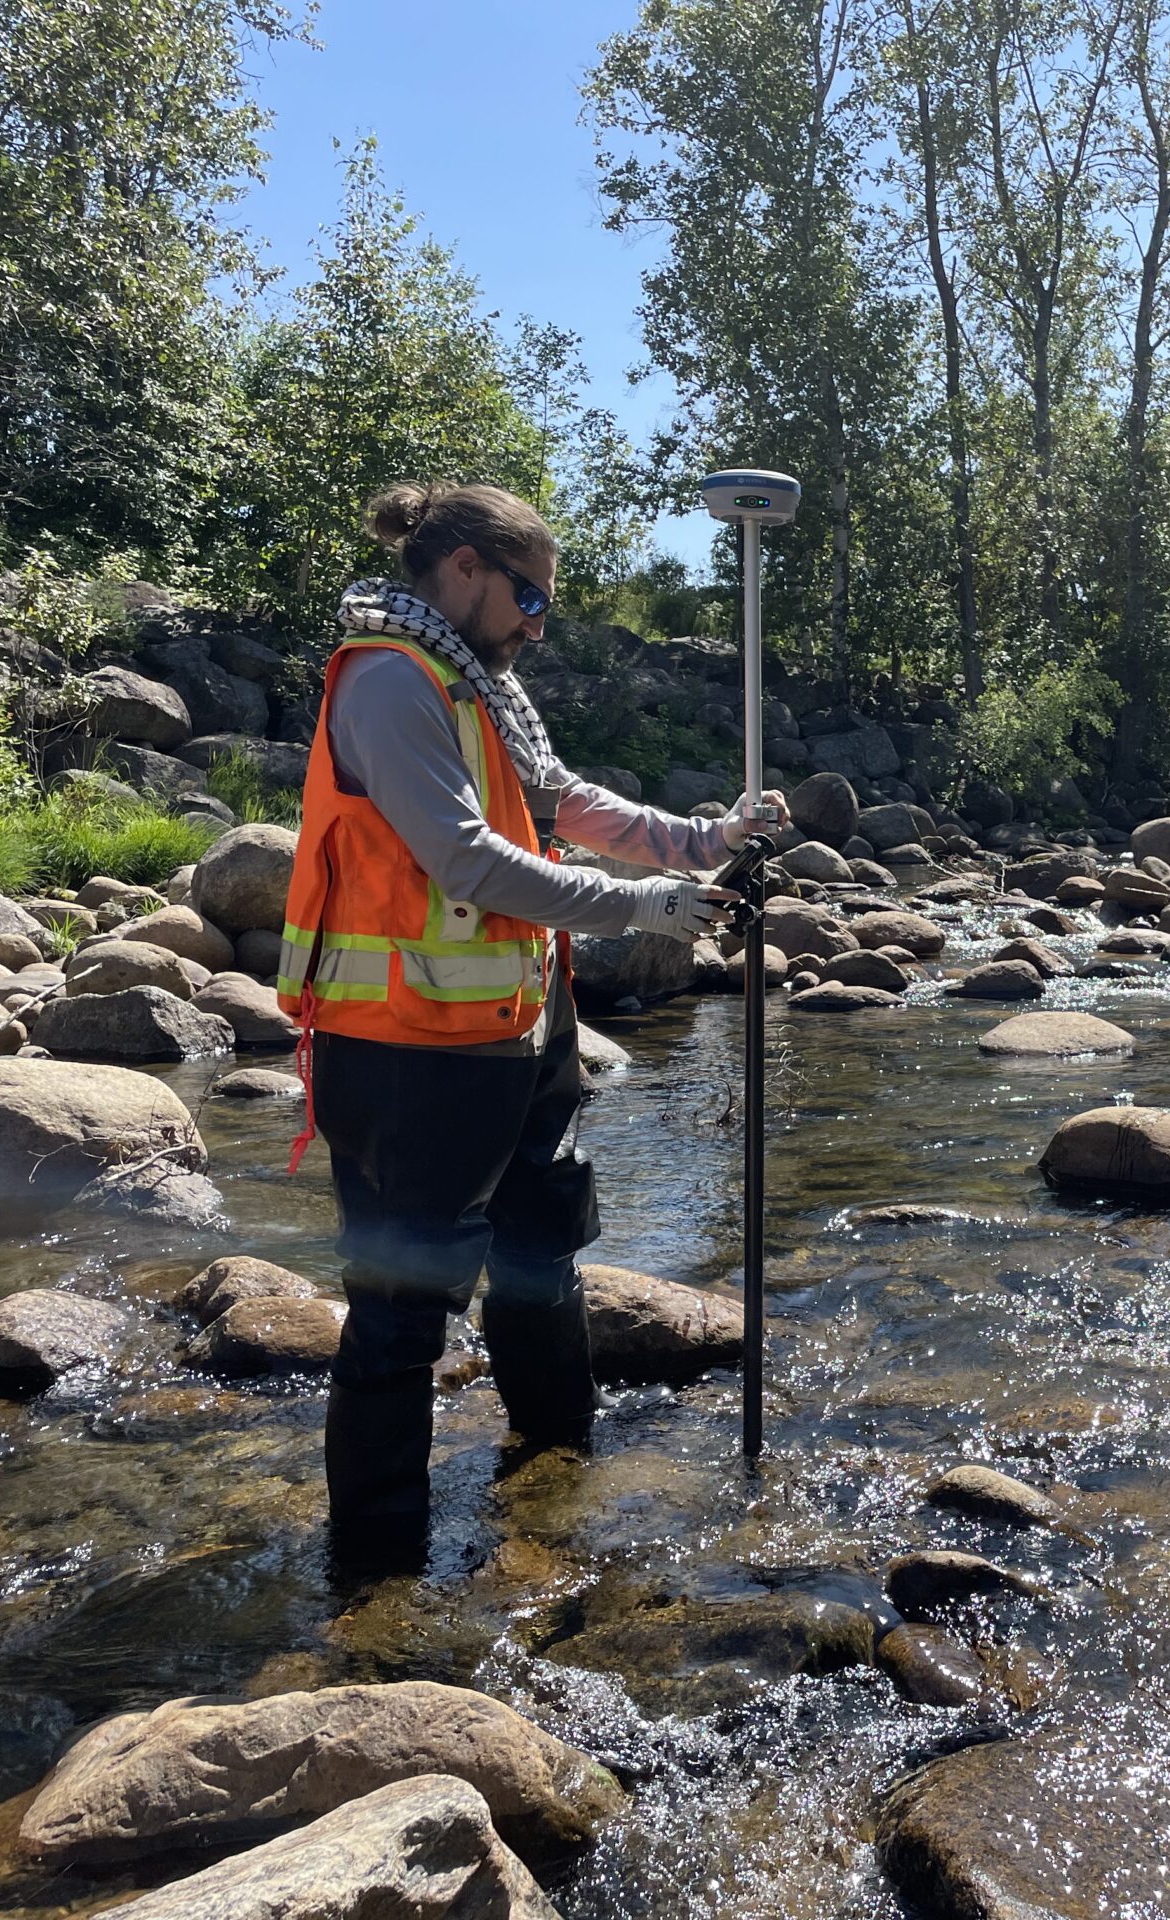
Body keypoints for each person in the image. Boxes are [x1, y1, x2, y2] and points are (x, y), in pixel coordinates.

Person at [276, 480, 786, 1569]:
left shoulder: (475, 683)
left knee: (540, 1252)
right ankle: (376, 1581)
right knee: (402, 1322)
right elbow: (463, 858)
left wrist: (699, 842)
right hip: (407, 1052)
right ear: (463, 567)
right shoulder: (389, 683)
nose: (536, 627)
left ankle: (558, 1467)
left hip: (515, 1030)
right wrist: (644, 907)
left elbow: (561, 802)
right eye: (531, 601)